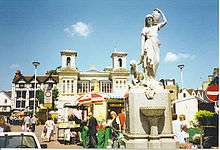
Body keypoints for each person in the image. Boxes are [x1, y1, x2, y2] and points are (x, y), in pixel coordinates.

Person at [139, 8, 167, 79]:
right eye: (148, 19)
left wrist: (160, 11)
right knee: (149, 61)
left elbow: (165, 21)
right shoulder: (144, 29)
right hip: (148, 44)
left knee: (157, 61)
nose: (149, 20)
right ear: (146, 21)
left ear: (152, 19)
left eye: (150, 19)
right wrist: (142, 51)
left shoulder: (156, 27)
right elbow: (142, 40)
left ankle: (153, 77)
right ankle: (149, 77)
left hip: (156, 44)